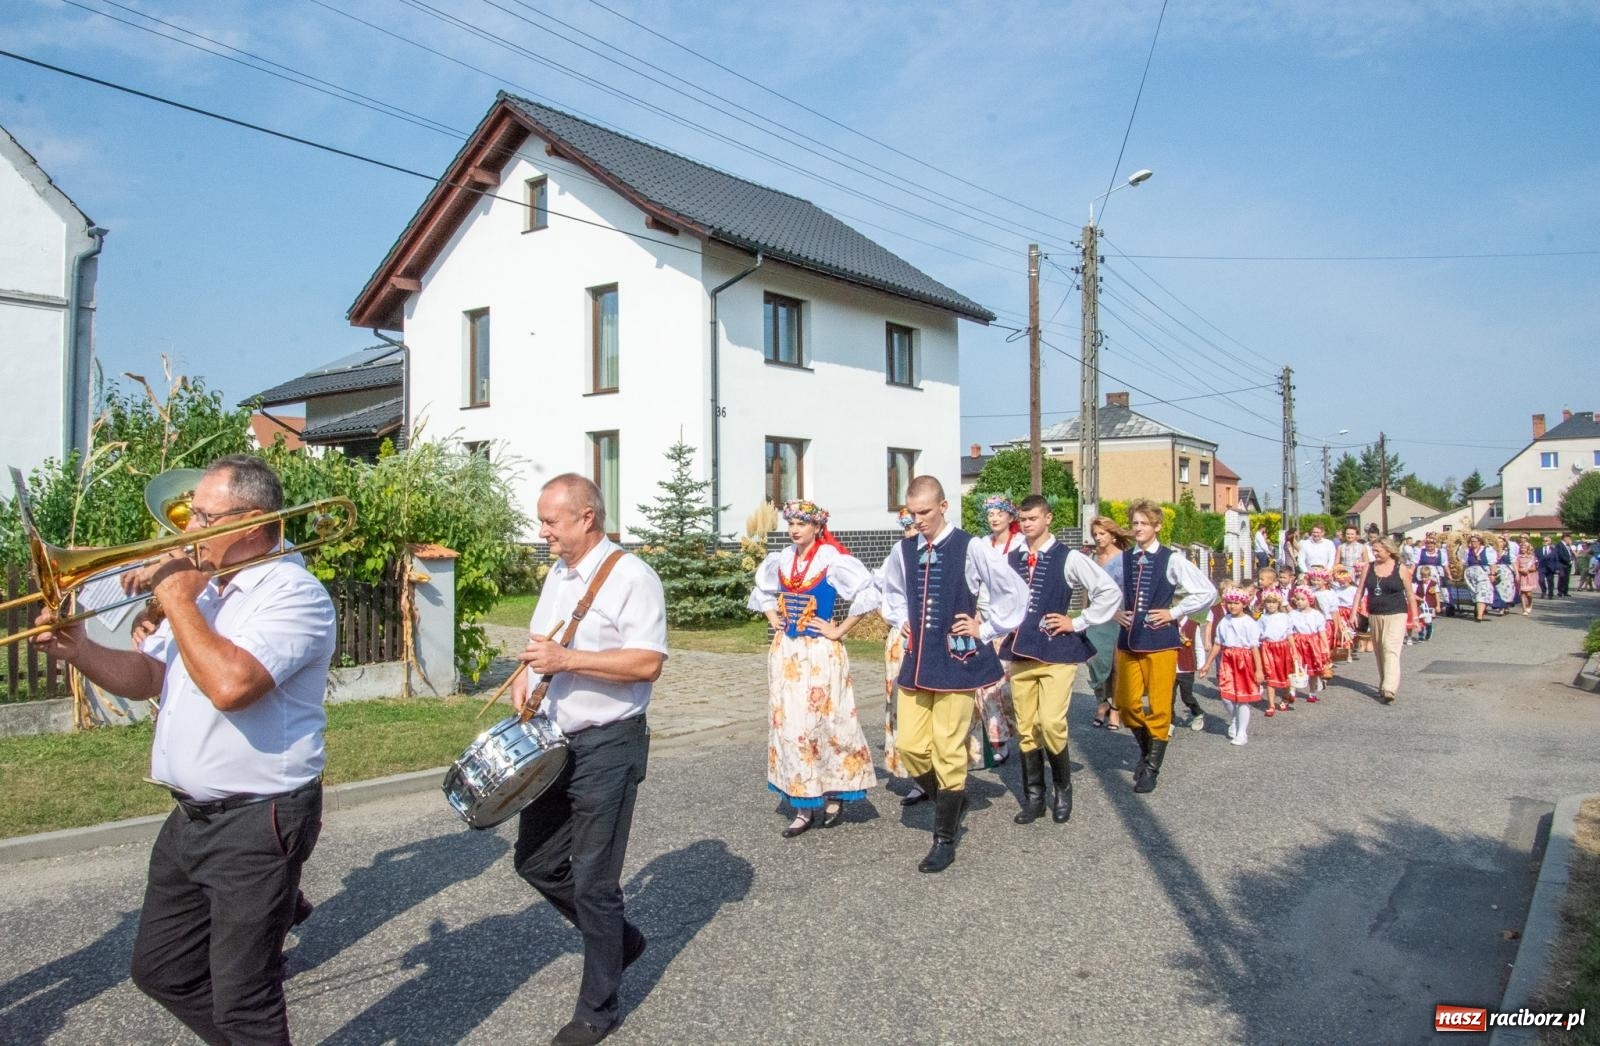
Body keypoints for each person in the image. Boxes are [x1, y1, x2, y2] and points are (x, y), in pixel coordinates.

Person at [33, 455, 335, 1045]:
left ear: (249, 522)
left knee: (245, 1001)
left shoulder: (294, 594)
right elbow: (151, 676)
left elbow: (231, 687)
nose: (185, 528)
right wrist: (78, 650)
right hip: (193, 815)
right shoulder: (210, 588)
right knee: (162, 970)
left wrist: (174, 597)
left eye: (201, 516)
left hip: (259, 818)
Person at [511, 474, 667, 1046]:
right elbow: (540, 642)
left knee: (595, 880)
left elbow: (648, 663)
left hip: (610, 742)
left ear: (587, 518)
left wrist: (567, 660)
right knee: (535, 861)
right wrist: (527, 681)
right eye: (542, 520)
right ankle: (621, 941)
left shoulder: (632, 576)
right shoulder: (558, 573)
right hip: (556, 739)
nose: (542, 530)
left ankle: (597, 1010)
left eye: (551, 521)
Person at [880, 476, 1027, 873]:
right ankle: (953, 796)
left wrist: (987, 628)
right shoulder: (904, 548)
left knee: (948, 747)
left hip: (957, 662)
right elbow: (890, 591)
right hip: (917, 660)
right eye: (913, 513)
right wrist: (900, 618)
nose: (919, 520)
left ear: (943, 506)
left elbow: (1013, 590)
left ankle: (944, 837)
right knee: (909, 745)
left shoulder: (970, 546)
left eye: (925, 512)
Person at [750, 499, 879, 836]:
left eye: (801, 524)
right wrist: (774, 618)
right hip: (788, 653)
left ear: (817, 528)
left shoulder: (831, 560)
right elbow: (763, 592)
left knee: (826, 722)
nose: (794, 529)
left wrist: (838, 629)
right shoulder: (780, 560)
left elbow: (867, 594)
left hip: (821, 653)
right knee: (791, 726)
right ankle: (803, 803)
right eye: (791, 523)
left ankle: (834, 790)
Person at [999, 494, 1120, 824]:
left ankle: (1062, 789)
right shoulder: (1013, 556)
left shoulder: (1068, 557)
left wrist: (1077, 621)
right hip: (1022, 648)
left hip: (1056, 650)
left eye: (1033, 519)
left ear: (1048, 519)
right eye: (1023, 520)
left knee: (1051, 722)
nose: (1027, 525)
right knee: (1025, 727)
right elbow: (998, 597)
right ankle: (1034, 797)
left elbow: (1108, 591)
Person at [1111, 498, 1217, 794]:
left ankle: (1152, 767)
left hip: (1160, 641)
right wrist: (1114, 610)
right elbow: (1103, 589)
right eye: (1135, 524)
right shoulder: (1123, 559)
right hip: (1129, 640)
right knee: (1127, 704)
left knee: (1159, 706)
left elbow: (1206, 591)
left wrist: (1174, 612)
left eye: (1144, 524)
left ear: (1157, 527)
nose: (1139, 528)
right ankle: (1147, 751)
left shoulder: (1172, 559)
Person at [972, 495, 1024, 766]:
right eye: (990, 513)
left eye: (999, 513)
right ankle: (998, 740)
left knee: (1008, 688)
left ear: (1010, 517)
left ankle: (1024, 731)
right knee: (986, 687)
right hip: (986, 624)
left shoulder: (1020, 545)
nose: (994, 518)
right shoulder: (981, 545)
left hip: (1013, 624)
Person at [882, 508, 923, 803]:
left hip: (933, 635)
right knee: (901, 703)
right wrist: (898, 618)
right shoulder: (898, 554)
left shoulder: (945, 551)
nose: (911, 532)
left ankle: (943, 772)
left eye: (915, 526)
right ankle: (917, 776)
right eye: (906, 527)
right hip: (903, 636)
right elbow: (884, 592)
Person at [1360, 537, 1419, 705]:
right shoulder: (1369, 567)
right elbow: (1360, 591)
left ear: (1389, 550)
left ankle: (1389, 688)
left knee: (1390, 648)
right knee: (1379, 651)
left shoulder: (1401, 569)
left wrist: (1415, 617)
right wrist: (1353, 611)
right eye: (1374, 550)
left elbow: (1410, 594)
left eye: (1378, 550)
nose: (1375, 553)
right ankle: (1384, 682)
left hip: (1397, 613)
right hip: (1375, 613)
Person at [1202, 589, 1264, 746]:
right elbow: (1218, 644)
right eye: (1230, 603)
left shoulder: (1249, 622)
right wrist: (1207, 663)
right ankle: (1236, 718)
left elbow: (1254, 647)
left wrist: (1259, 669)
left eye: (1236, 603)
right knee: (1226, 696)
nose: (1232, 606)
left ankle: (1242, 732)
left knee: (1242, 699)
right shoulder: (1225, 620)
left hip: (1244, 660)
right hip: (1228, 659)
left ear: (1243, 604)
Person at [1086, 516, 1130, 731]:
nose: (1098, 538)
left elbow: (1129, 591)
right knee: (1095, 661)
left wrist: (1119, 613)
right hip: (1097, 617)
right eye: (1095, 534)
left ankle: (1115, 707)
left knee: (1116, 664)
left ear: (1113, 535)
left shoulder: (1124, 559)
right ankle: (1101, 701)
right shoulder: (1092, 558)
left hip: (1119, 616)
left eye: (1102, 534)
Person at [1287, 586, 1330, 702]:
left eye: (1302, 599)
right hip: (1298, 642)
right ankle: (1292, 691)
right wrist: (1292, 647)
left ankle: (1312, 692)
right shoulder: (1292, 614)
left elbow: (1322, 633)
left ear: (1309, 600)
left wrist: (1325, 647)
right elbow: (1289, 632)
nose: (1299, 602)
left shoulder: (1316, 615)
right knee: (1296, 665)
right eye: (1297, 599)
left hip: (1312, 643)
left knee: (1313, 667)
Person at [1257, 589, 1294, 714]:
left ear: (1278, 603)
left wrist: (1294, 650)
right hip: (1268, 648)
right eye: (1268, 602)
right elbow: (1258, 634)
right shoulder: (1262, 618)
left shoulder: (1285, 617)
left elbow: (1289, 635)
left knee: (1284, 674)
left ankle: (1285, 696)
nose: (1271, 605)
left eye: (1273, 602)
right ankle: (1271, 704)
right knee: (1270, 676)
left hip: (1283, 648)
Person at [1462, 534, 1494, 622]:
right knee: (1475, 594)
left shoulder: (1487, 550)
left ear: (1480, 542)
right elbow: (1465, 564)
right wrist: (1462, 575)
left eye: (1475, 541)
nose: (1473, 543)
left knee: (1482, 593)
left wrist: (1492, 574)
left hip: (1483, 574)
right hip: (1471, 575)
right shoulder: (1467, 551)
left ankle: (1479, 616)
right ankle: (1480, 610)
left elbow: (1492, 563)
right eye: (1471, 541)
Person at [1515, 539, 1539, 615]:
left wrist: (1528, 569)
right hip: (1522, 576)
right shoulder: (1518, 557)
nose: (1523, 549)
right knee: (1522, 593)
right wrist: (1520, 570)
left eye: (1524, 548)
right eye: (1521, 548)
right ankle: (1524, 609)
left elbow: (1534, 568)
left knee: (1528, 593)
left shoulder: (1532, 557)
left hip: (1529, 576)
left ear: (1528, 548)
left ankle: (1530, 604)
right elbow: (1516, 566)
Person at [1537, 535, 1562, 600]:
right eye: (1544, 540)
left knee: (1550, 581)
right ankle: (1543, 590)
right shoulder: (1538, 550)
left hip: (1551, 568)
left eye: (1546, 540)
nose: (1545, 542)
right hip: (1541, 567)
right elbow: (1535, 558)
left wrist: (1557, 568)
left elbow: (1557, 559)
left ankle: (1550, 593)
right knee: (1541, 580)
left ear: (1550, 542)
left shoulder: (1554, 550)